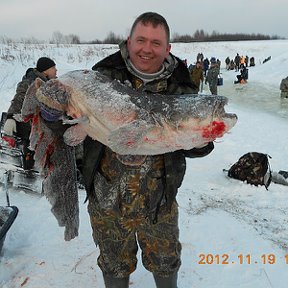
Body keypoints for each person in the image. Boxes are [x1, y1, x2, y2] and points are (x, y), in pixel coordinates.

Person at [83, 12, 214, 288]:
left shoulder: (181, 86)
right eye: (141, 40)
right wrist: (54, 113)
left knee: (166, 261)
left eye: (156, 43)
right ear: (129, 41)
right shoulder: (102, 77)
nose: (147, 48)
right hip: (108, 200)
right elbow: (71, 123)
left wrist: (202, 141)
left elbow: (190, 146)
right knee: (113, 264)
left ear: (168, 48)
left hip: (161, 201)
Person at [3, 57, 57, 169]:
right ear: (45, 70)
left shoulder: (50, 83)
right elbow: (19, 98)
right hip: (30, 126)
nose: (56, 70)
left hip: (42, 124)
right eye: (53, 68)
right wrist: (11, 117)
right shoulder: (30, 82)